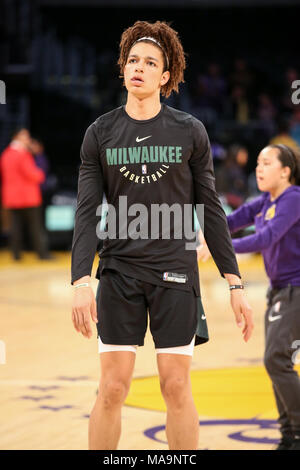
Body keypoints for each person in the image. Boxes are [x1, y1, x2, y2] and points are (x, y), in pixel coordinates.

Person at [71, 20, 253, 451]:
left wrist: (235, 282)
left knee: (175, 386)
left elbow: (210, 207)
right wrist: (81, 279)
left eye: (149, 62)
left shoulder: (190, 131)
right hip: (119, 272)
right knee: (113, 388)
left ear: (165, 75)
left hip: (175, 272)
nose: (139, 68)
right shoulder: (100, 133)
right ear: (124, 69)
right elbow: (85, 213)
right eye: (132, 61)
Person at [198, 143, 300, 450]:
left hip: (296, 290)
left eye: (267, 163)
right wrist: (207, 233)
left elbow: (265, 238)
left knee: (276, 359)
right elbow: (231, 221)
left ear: (286, 171)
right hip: (280, 291)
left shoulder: (293, 199)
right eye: (257, 162)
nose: (259, 168)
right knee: (275, 362)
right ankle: (288, 436)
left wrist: (220, 249)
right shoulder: (266, 201)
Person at [0, 128, 52, 260]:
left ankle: (16, 254)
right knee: (35, 227)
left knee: (15, 227)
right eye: (25, 137)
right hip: (27, 196)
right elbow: (31, 173)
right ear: (17, 137)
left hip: (12, 196)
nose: (28, 140)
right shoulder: (22, 154)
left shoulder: (5, 154)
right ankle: (42, 254)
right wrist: (40, 175)